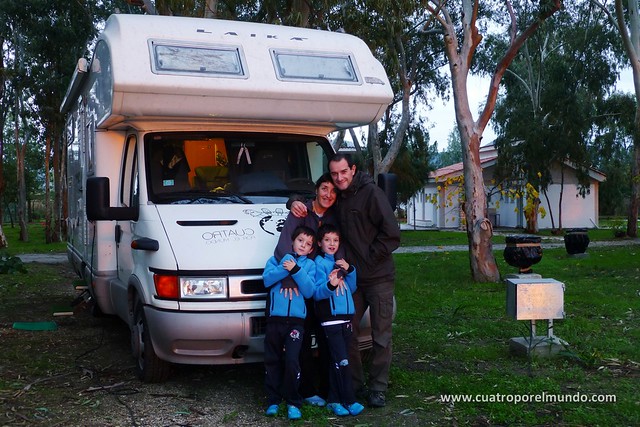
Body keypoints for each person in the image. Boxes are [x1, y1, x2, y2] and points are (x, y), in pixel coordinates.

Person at [290, 152, 400, 408]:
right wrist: (293, 200)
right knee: (347, 331)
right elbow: (318, 198)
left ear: (353, 169)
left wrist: (365, 262)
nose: (339, 178)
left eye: (343, 172)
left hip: (378, 277)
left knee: (381, 335)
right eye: (335, 174)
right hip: (351, 280)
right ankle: (352, 384)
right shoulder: (339, 196)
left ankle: (377, 388)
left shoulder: (372, 194)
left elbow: (392, 235)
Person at [274, 173, 340, 407]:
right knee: (301, 339)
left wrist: (341, 274)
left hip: (324, 286)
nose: (328, 194)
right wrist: (291, 278)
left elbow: (339, 246)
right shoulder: (301, 212)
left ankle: (328, 389)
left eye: (333, 191)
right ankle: (306, 389)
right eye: (324, 188)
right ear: (316, 189)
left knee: (324, 338)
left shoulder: (335, 214)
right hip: (301, 286)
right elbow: (284, 247)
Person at [262, 226, 318, 420]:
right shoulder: (277, 260)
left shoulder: (310, 266)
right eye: (301, 240)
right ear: (293, 241)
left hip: (296, 322)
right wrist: (285, 268)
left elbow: (310, 290)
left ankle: (293, 401)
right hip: (274, 320)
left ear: (311, 249)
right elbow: (267, 280)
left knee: (293, 361)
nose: (303, 245)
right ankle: (273, 400)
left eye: (308, 244)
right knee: (272, 359)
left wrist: (295, 271)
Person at [313, 224, 364, 417]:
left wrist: (350, 270)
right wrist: (330, 284)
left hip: (346, 319)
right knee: (340, 360)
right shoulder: (319, 263)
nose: (332, 244)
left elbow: (350, 288)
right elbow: (317, 293)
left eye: (335, 240)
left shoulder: (339, 262)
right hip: (331, 320)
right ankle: (347, 400)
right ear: (320, 243)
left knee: (342, 360)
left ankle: (335, 400)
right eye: (327, 240)